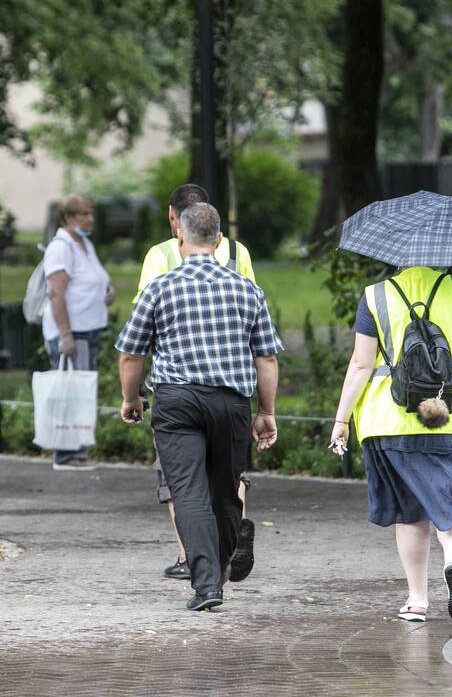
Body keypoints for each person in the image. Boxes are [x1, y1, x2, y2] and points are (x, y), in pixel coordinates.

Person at [116, 202, 283, 611]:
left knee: (187, 491)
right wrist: (266, 411)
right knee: (227, 493)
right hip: (230, 403)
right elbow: (267, 358)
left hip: (176, 402)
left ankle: (207, 584)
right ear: (220, 240)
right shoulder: (247, 289)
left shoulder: (160, 287)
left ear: (180, 237)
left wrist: (131, 397)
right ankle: (218, 570)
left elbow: (130, 354)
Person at [329, 266, 452, 623]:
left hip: (389, 422)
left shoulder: (375, 295)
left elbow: (360, 363)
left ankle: (417, 600)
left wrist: (341, 420)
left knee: (409, 512)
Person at [135, 184, 259, 583]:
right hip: (232, 384)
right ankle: (233, 533)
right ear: (217, 228)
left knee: (178, 480)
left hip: (178, 385)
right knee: (229, 476)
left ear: (177, 220)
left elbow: (142, 319)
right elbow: (257, 314)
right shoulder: (238, 253)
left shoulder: (161, 254)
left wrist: (134, 391)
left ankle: (191, 556)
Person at [41, 194, 115, 471]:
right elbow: (56, 294)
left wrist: (106, 292)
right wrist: (65, 335)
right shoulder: (61, 247)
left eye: (90, 213)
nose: (89, 218)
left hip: (89, 328)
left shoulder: (84, 244)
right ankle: (65, 455)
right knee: (70, 394)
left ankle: (79, 453)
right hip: (73, 332)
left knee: (81, 393)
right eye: (83, 214)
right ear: (68, 217)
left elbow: (95, 280)